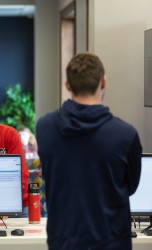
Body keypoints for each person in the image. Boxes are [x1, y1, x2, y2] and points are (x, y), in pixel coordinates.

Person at [36, 52, 142, 249]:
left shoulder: (44, 127)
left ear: (68, 85)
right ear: (103, 82)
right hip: (111, 242)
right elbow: (131, 187)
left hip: (63, 242)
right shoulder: (125, 134)